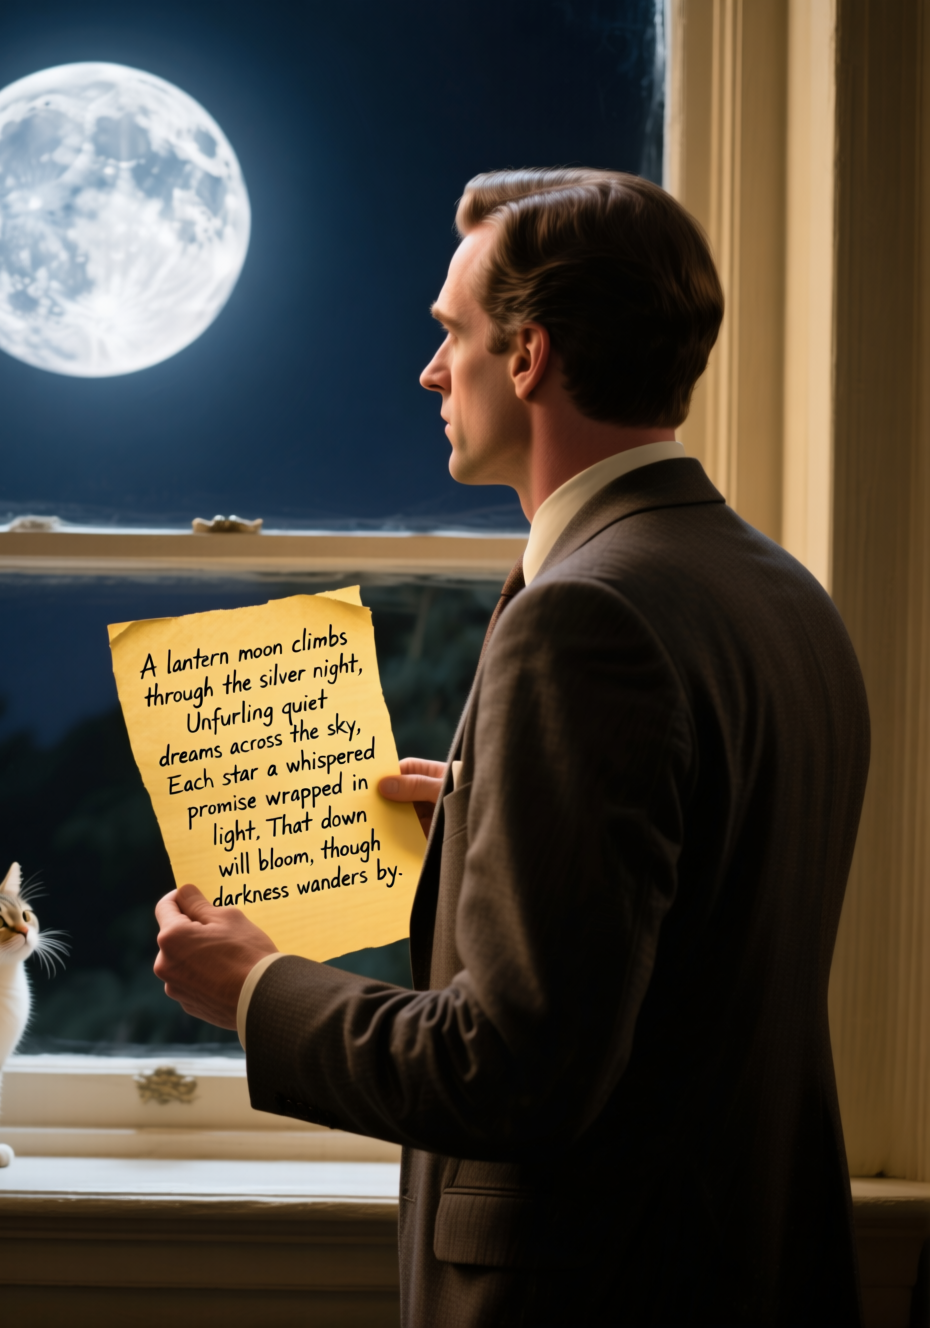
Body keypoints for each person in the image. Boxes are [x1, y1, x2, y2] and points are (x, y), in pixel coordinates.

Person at [153, 168, 869, 1325]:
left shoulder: (583, 617)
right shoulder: (777, 590)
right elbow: (692, 921)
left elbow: (512, 1068)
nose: (432, 371)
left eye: (451, 334)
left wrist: (254, 989)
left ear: (527, 356)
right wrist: (497, 817)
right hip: (748, 1261)